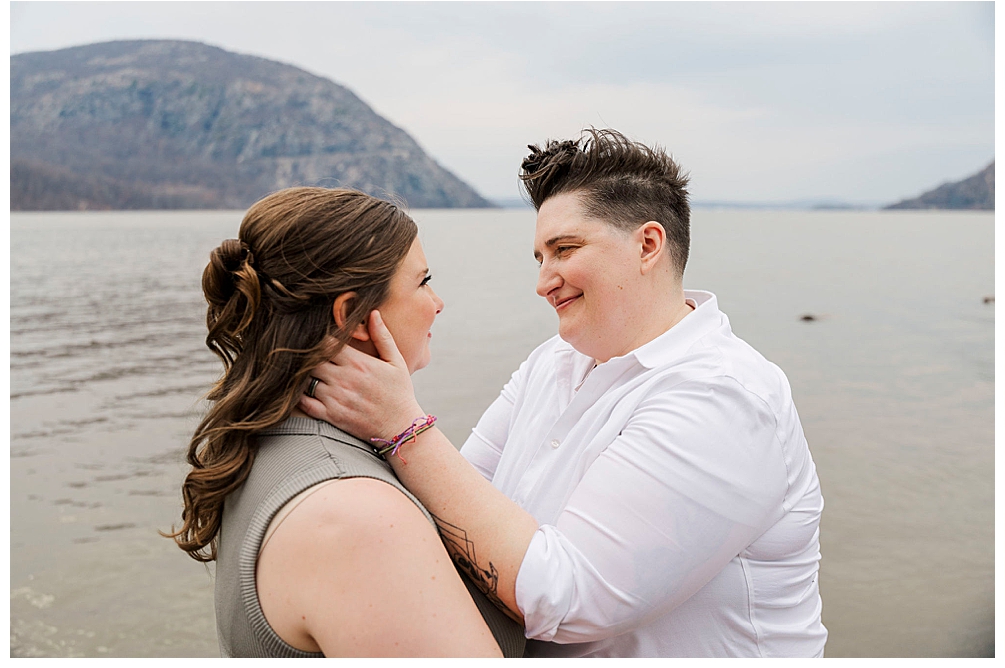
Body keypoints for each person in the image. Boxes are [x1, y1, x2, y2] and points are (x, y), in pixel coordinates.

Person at [301, 128, 828, 657]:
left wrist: (403, 426)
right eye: (540, 258)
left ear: (648, 245)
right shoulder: (552, 362)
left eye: (565, 250)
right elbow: (451, 503)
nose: (543, 281)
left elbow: (568, 600)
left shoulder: (721, 398)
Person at [167, 187, 524, 657]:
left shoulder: (260, 440)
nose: (437, 303)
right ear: (352, 316)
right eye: (423, 282)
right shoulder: (356, 517)